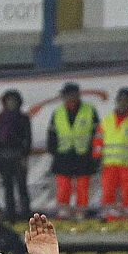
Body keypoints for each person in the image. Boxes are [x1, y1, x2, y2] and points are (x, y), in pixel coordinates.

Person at [48, 83, 98, 220]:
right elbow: (52, 134)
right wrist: (54, 151)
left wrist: (94, 154)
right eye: (66, 95)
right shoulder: (57, 112)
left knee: (83, 185)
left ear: (77, 95)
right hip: (63, 154)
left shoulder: (89, 110)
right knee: (63, 185)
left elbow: (97, 134)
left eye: (71, 94)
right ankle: (63, 210)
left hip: (83, 154)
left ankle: (81, 211)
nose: (69, 97)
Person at [97, 88, 128, 220]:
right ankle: (109, 216)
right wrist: (97, 158)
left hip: (127, 164)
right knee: (108, 191)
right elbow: (98, 140)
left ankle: (127, 216)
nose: (123, 103)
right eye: (121, 100)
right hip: (109, 164)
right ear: (116, 101)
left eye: (126, 101)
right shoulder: (107, 120)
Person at [0, 89, 33, 219]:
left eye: (13, 101)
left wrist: (24, 155)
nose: (11, 103)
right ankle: (10, 213)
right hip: (4, 156)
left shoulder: (23, 118)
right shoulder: (2, 118)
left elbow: (28, 138)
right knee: (8, 186)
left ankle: (25, 213)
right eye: (8, 101)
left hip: (18, 155)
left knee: (21, 186)